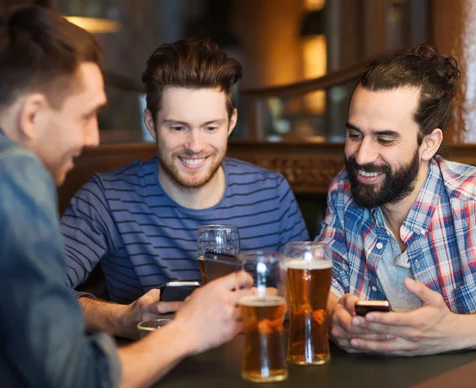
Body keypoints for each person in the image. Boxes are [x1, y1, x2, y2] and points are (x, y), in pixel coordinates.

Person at [0, 5, 254, 388]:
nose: (93, 139)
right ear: (32, 115)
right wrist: (187, 329)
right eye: (87, 116)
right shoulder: (11, 171)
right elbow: (76, 380)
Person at [60, 37, 309, 338]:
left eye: (210, 127)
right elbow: (35, 294)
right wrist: (123, 318)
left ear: (231, 122)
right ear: (151, 124)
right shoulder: (106, 198)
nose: (195, 146)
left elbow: (305, 301)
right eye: (178, 127)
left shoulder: (273, 195)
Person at [320, 44, 476, 357]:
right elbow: (327, 280)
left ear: (429, 144)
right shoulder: (344, 191)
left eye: (385, 139)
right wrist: (331, 316)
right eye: (354, 135)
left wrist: (451, 332)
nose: (362, 156)